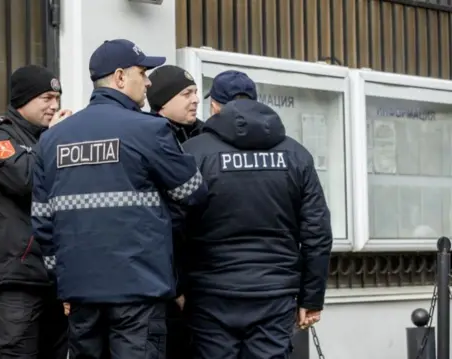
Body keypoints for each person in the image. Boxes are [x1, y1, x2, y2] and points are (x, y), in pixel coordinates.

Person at [30, 39, 208, 359]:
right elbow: (194, 192)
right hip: (139, 288)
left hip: (81, 289)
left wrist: (64, 280)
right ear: (121, 77)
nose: (149, 81)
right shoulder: (149, 130)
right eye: (144, 72)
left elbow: (43, 221)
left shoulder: (52, 139)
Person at [181, 70, 333, 359]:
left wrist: (176, 286)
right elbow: (317, 231)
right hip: (274, 293)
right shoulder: (296, 154)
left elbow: (174, 224)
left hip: (211, 292)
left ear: (214, 106)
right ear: (254, 101)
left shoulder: (194, 153)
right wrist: (311, 298)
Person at [0, 65, 72, 359]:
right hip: (16, 274)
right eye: (47, 98)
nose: (55, 106)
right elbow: (25, 179)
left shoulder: (48, 137)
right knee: (17, 354)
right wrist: (54, 140)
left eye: (57, 98)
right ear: (23, 99)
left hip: (55, 274)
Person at [146, 64, 204, 359]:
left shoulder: (208, 137)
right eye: (186, 93)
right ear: (162, 102)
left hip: (205, 276)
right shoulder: (147, 139)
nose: (195, 99)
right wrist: (177, 284)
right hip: (162, 279)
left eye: (195, 92)